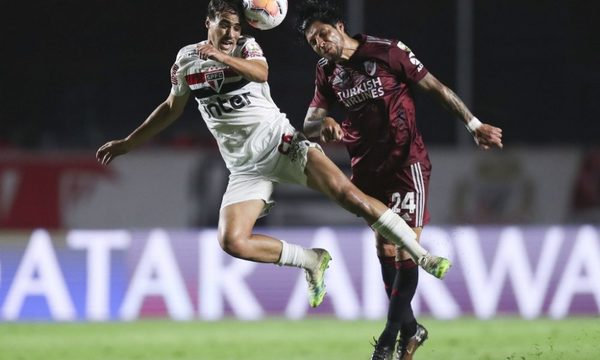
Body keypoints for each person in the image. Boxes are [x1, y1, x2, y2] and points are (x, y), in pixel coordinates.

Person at [96, 0, 450, 311]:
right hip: (245, 168)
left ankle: (423, 255)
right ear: (209, 23)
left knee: (350, 197)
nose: (232, 32)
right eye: (224, 24)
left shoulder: (248, 48)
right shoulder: (186, 61)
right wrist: (128, 142)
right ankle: (311, 260)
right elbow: (171, 108)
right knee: (232, 240)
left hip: (282, 145)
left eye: (236, 26)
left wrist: (220, 55)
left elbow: (261, 72)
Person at [296, 1, 503, 359]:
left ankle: (389, 339)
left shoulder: (388, 51)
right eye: (313, 41)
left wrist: (473, 124)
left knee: (406, 247)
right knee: (384, 250)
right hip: (364, 170)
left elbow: (436, 87)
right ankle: (412, 329)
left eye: (323, 34)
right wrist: (322, 125)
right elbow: (310, 123)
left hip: (406, 165)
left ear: (340, 27)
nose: (320, 43)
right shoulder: (326, 71)